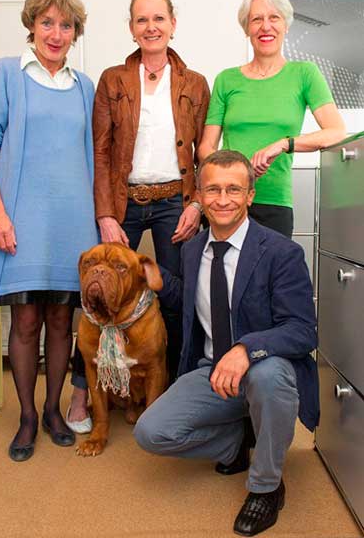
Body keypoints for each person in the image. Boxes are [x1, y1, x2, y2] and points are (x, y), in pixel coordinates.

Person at [133, 150, 318, 536]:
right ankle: (237, 443)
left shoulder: (281, 253)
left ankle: (266, 487)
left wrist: (246, 349)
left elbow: (302, 330)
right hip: (211, 370)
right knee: (151, 433)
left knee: (268, 375)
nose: (222, 199)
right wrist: (162, 283)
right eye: (213, 189)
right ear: (199, 195)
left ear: (250, 195)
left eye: (233, 189)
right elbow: (199, 303)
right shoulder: (192, 249)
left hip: (264, 369)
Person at [67, 0, 210, 431]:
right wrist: (106, 214)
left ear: (173, 24)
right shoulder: (113, 80)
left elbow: (204, 153)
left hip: (174, 202)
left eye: (159, 18)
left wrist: (197, 203)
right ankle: (81, 393)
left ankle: (175, 396)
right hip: (123, 200)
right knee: (96, 294)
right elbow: (101, 151)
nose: (151, 27)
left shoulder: (194, 83)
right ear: (131, 28)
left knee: (175, 297)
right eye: (142, 19)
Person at [0, 0, 99, 462]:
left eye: (65, 25)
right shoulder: (6, 74)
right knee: (26, 320)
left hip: (72, 223)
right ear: (32, 25)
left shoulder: (84, 87)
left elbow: (94, 156)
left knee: (63, 320)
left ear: (75, 33)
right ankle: (26, 416)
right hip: (21, 220)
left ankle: (52, 410)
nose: (56, 33)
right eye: (47, 22)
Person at [198, 0, 345, 238]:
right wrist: (232, 176)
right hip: (226, 203)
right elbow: (205, 147)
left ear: (285, 25)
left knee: (272, 265)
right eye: (257, 19)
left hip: (275, 203)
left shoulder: (305, 74)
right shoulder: (226, 79)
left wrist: (283, 144)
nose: (266, 26)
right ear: (247, 28)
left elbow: (337, 132)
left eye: (274, 17)